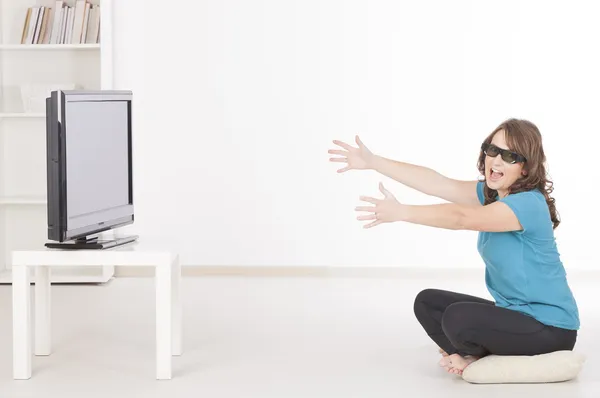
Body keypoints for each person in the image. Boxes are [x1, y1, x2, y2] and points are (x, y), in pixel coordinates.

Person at [328, 118, 579, 375]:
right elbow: (439, 184)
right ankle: (467, 357)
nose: (496, 160)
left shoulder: (529, 204)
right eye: (492, 150)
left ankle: (472, 357)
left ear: (526, 168)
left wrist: (402, 211)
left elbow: (461, 218)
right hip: (515, 315)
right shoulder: (493, 195)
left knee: (457, 318)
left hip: (550, 328)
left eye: (510, 156)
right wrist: (373, 162)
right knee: (428, 302)